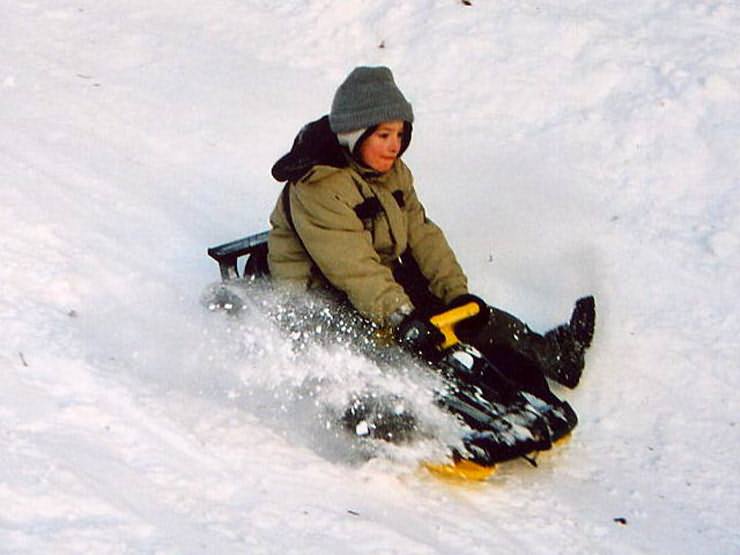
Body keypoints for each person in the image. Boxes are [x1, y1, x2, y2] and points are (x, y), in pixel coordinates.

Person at [267, 66, 595, 400]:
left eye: (399, 134)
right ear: (354, 134)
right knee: (397, 352)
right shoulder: (319, 186)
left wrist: (456, 295)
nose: (395, 146)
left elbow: (422, 234)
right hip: (318, 293)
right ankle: (411, 423)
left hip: (375, 279)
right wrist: (401, 317)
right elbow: (351, 267)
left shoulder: (393, 173)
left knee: (463, 321)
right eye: (383, 135)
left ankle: (549, 355)